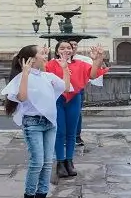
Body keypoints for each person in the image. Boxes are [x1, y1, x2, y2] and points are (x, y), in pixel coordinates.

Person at [1, 45, 73, 198]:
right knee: (37, 162)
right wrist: (25, 73)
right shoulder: (20, 78)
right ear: (31, 59)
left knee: (47, 163)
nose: (45, 55)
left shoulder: (47, 76)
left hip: (49, 123)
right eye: (42, 53)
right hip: (32, 123)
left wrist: (65, 69)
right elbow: (22, 97)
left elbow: (66, 87)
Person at [45, 41, 106, 178]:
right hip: (57, 100)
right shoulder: (51, 65)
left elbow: (93, 75)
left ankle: (69, 161)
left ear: (73, 51)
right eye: (62, 48)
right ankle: (60, 162)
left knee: (72, 133)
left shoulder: (80, 64)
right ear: (56, 51)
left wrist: (97, 59)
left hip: (74, 99)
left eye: (69, 48)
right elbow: (41, 75)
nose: (66, 50)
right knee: (60, 131)